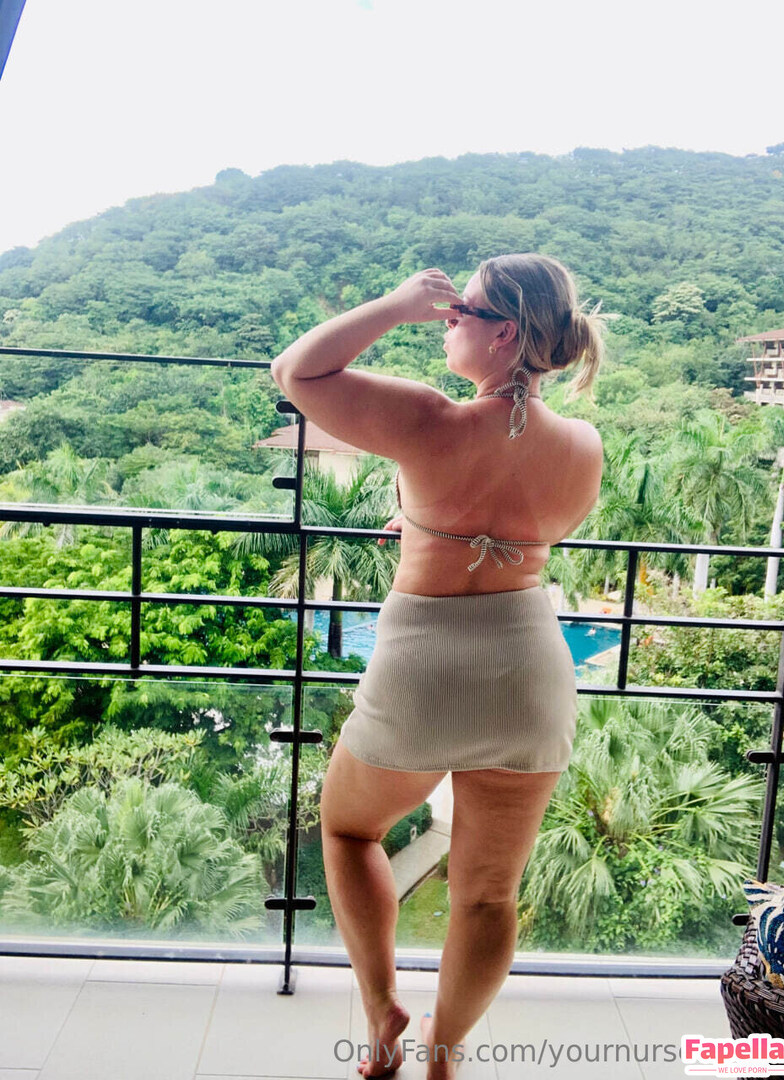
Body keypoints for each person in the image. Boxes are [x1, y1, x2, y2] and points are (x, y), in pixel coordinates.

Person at [270, 253, 604, 1079]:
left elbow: (296, 372)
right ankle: (444, 1058)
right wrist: (425, 521)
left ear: (506, 334)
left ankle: (384, 1009)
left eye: (464, 310)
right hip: (528, 668)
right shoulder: (583, 446)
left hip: (423, 664)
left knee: (349, 829)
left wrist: (395, 303)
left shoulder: (429, 421)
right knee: (487, 895)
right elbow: (514, 526)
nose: (447, 319)